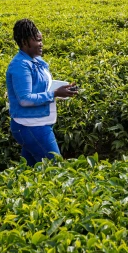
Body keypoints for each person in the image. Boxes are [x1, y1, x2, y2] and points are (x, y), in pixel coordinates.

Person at [6, 18, 78, 166]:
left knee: (31, 172)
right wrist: (55, 94)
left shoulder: (35, 61)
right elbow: (25, 99)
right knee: (56, 169)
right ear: (25, 42)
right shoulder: (21, 65)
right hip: (30, 126)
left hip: (38, 122)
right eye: (37, 40)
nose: (41, 44)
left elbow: (41, 86)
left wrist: (61, 90)